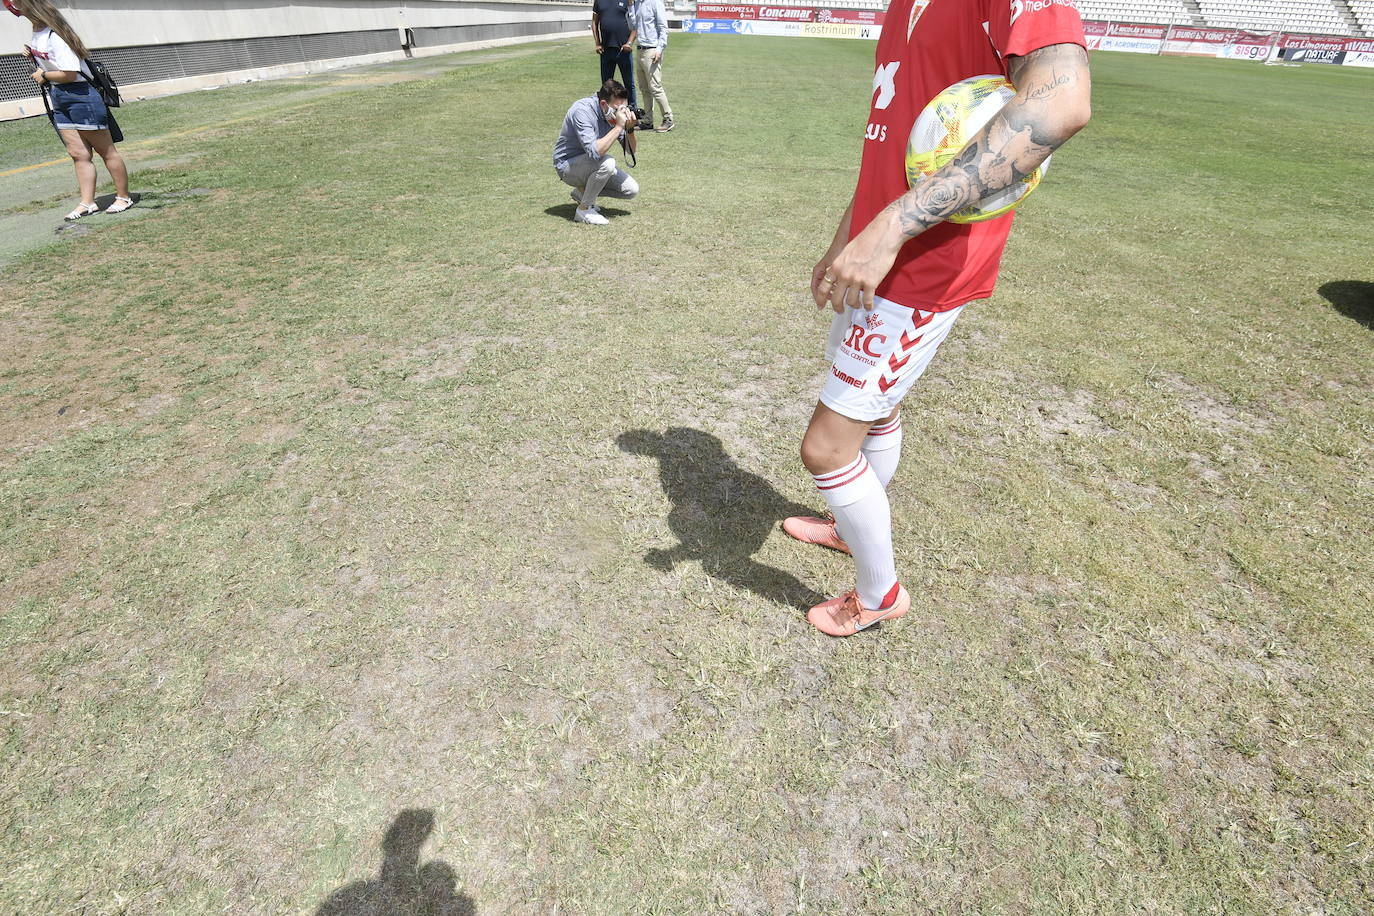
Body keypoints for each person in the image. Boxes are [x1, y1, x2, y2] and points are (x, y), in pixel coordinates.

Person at [787, 0, 1092, 636]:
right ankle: (850, 529)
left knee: (826, 447)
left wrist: (894, 227)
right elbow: (896, 141)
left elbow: (1059, 105)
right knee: (880, 408)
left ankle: (880, 595)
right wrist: (850, 235)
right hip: (881, 252)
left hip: (927, 262)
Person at [8, 0, 132, 220]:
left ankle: (123, 197)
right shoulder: (39, 31)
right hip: (59, 96)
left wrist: (43, 75)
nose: (11, 6)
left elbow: (70, 73)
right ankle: (87, 203)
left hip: (80, 95)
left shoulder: (55, 35)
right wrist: (35, 57)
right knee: (78, 154)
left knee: (106, 151)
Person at [552, 80, 640, 226]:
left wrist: (629, 130)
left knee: (631, 190)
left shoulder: (612, 115)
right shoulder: (582, 110)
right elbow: (595, 152)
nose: (620, 113)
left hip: (590, 166)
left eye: (623, 108)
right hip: (567, 166)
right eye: (617, 108)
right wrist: (618, 127)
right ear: (604, 104)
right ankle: (584, 210)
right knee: (608, 162)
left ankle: (582, 193)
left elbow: (630, 151)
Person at [632, 0, 673, 132]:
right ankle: (648, 121)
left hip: (652, 50)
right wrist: (629, 7)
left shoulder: (656, 2)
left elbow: (663, 28)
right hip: (639, 49)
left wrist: (659, 49)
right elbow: (632, 26)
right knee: (644, 88)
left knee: (655, 87)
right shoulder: (636, 3)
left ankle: (668, 119)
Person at [592, 0, 637, 114]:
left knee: (628, 83)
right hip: (606, 50)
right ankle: (605, 111)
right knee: (606, 84)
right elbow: (594, 22)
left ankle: (632, 109)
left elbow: (635, 23)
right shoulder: (599, 1)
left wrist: (629, 43)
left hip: (624, 50)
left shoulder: (629, 1)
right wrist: (597, 43)